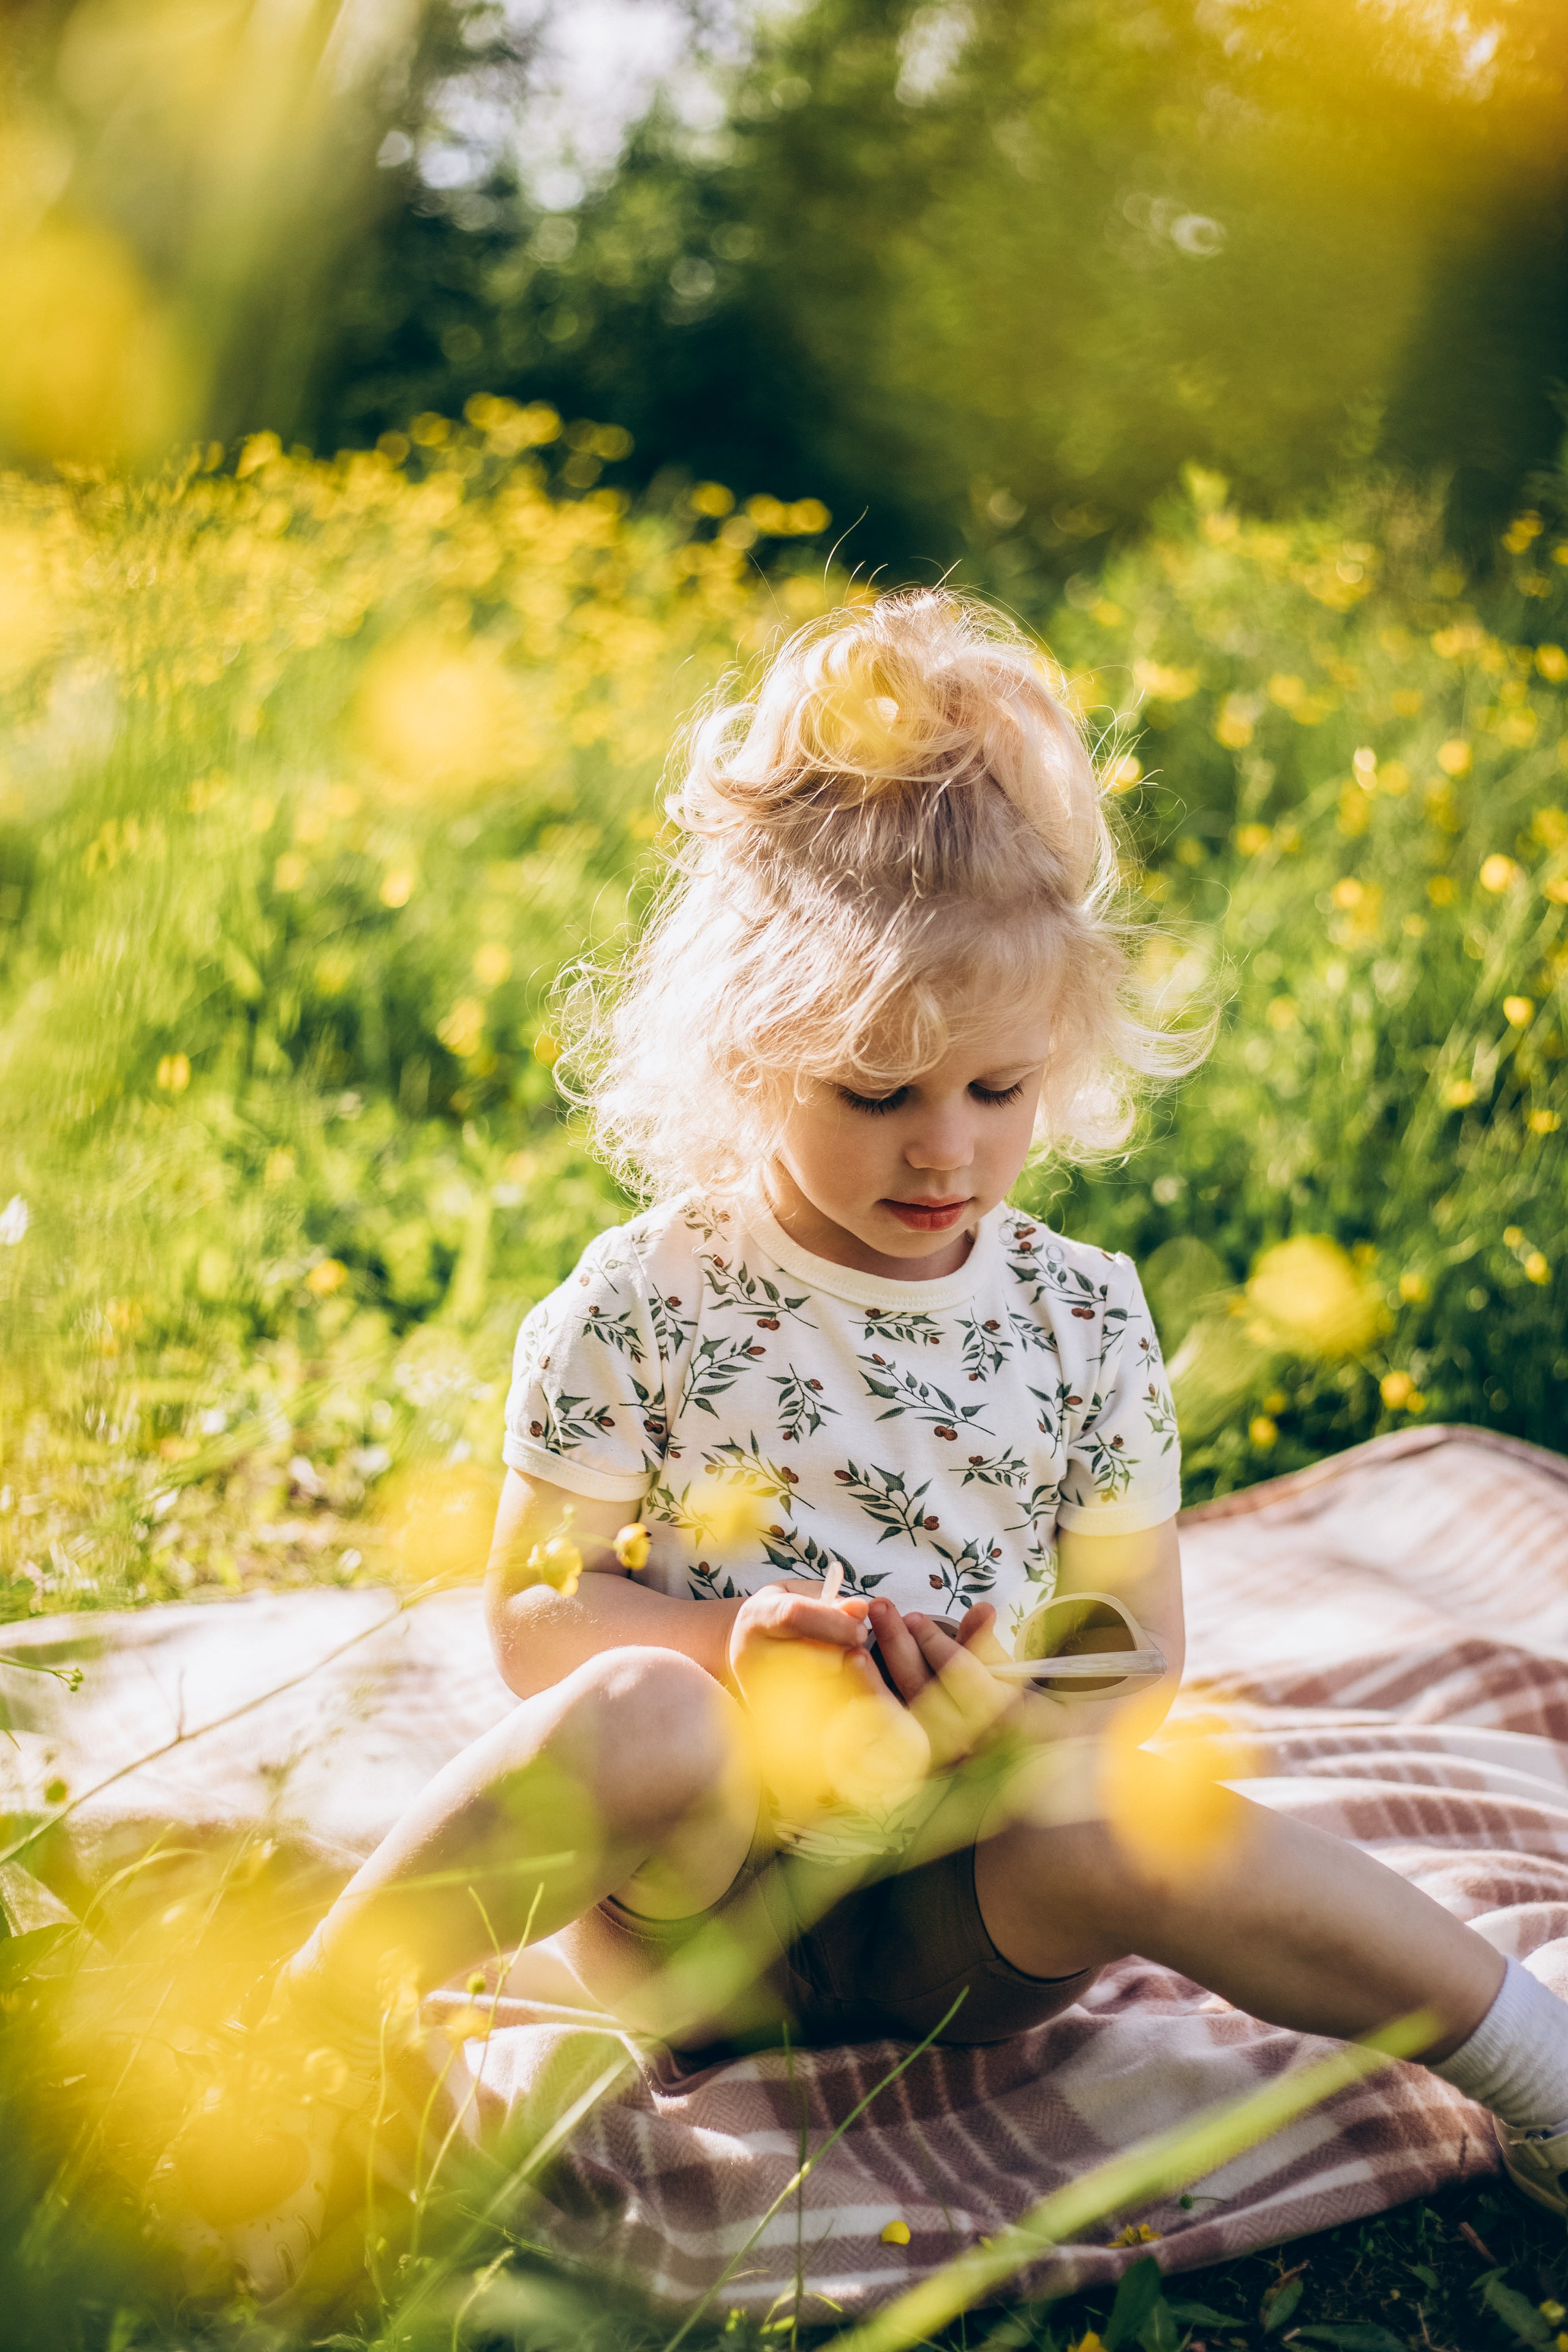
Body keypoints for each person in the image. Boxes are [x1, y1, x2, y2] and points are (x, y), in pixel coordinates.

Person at [166, 589, 1568, 2293]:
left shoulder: (1082, 1318)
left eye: (998, 1089)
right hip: (696, 1907)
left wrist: (1008, 1715)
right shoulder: (648, 1298)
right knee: (636, 1713)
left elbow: (1135, 1655)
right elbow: (535, 1617)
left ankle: (1532, 2067)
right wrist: (733, 1645)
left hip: (963, 1924)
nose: (947, 1154)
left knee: (1145, 1810)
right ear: (751, 1053)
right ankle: (284, 2053)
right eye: (877, 1093)